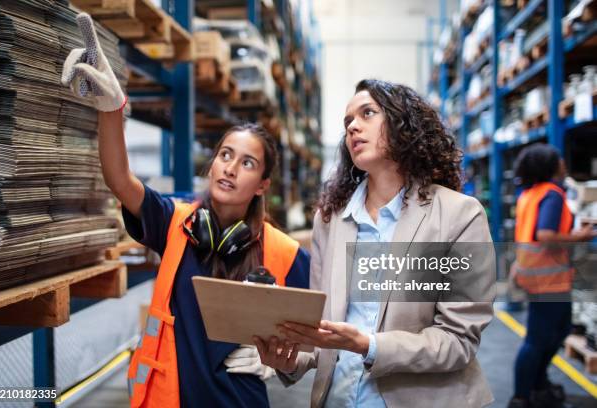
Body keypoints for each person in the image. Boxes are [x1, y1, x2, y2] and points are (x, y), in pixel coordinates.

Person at [61, 13, 309, 408]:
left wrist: (290, 362)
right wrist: (112, 109)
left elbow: (319, 334)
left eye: (247, 163)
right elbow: (120, 180)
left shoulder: (284, 252)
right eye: (225, 155)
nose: (229, 167)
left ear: (263, 184)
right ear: (212, 165)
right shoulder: (175, 222)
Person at [254, 79, 496, 407]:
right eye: (348, 121)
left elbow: (458, 341)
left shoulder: (458, 215)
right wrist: (288, 361)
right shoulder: (330, 220)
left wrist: (369, 344)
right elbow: (321, 335)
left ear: (402, 124)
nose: (353, 125)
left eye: (368, 113)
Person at [508, 144, 596, 408]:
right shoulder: (553, 194)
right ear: (549, 166)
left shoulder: (529, 194)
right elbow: (544, 236)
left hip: (535, 275)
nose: (563, 161)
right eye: (558, 158)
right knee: (538, 339)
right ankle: (522, 396)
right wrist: (578, 237)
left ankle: (537, 383)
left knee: (556, 333)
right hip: (548, 282)